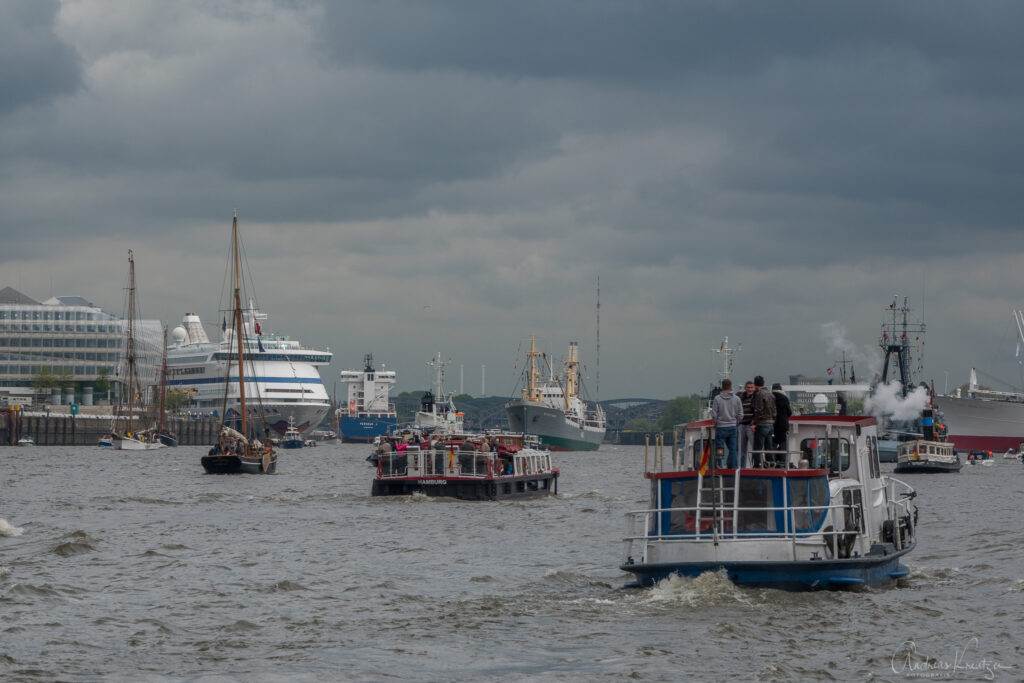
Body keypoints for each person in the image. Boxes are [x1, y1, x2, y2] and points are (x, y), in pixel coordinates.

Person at [710, 378, 743, 468]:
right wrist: (736, 422)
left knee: (720, 447)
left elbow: (714, 414)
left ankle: (719, 464)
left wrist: (716, 422)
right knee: (733, 448)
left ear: (722, 387)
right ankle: (732, 466)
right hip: (732, 427)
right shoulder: (737, 399)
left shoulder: (717, 399)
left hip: (721, 427)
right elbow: (740, 414)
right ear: (731, 386)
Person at [751, 376, 776, 466]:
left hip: (762, 423)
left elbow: (758, 410)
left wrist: (754, 423)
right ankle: (771, 464)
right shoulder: (770, 394)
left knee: (758, 446)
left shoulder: (759, 394)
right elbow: (774, 411)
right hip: (770, 424)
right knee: (769, 446)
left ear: (755, 384)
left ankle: (757, 465)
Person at [737, 381, 756, 466]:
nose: (750, 389)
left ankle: (756, 465)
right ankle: (742, 467)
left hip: (751, 425)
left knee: (754, 447)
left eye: (751, 387)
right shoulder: (741, 397)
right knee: (741, 449)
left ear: (754, 388)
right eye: (748, 387)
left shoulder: (756, 397)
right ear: (745, 388)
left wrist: (754, 423)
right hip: (742, 425)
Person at [771, 383, 792, 457]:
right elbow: (789, 413)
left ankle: (771, 460)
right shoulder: (784, 398)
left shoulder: (770, 397)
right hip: (783, 425)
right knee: (783, 444)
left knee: (773, 443)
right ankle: (784, 461)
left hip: (773, 425)